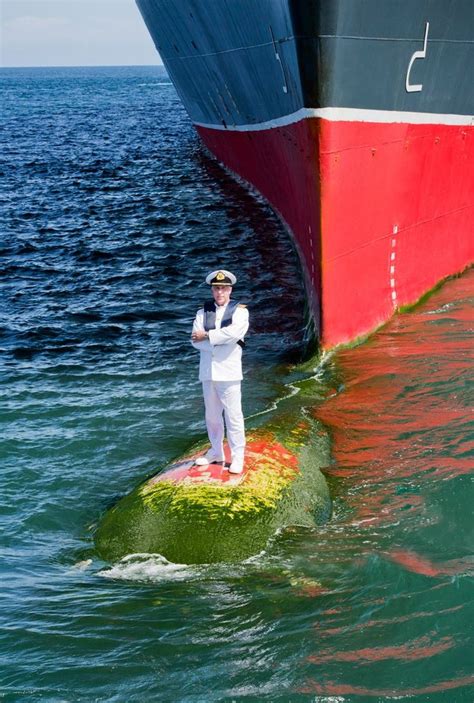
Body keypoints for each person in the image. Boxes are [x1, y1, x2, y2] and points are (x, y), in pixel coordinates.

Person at [191, 269, 249, 474]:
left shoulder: (240, 312)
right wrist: (217, 339)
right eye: (216, 288)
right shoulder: (202, 313)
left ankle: (238, 456)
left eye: (223, 288)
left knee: (233, 416)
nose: (219, 292)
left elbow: (234, 335)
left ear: (230, 289)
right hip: (208, 372)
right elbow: (194, 341)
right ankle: (216, 451)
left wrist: (207, 335)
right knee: (212, 416)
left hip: (230, 372)